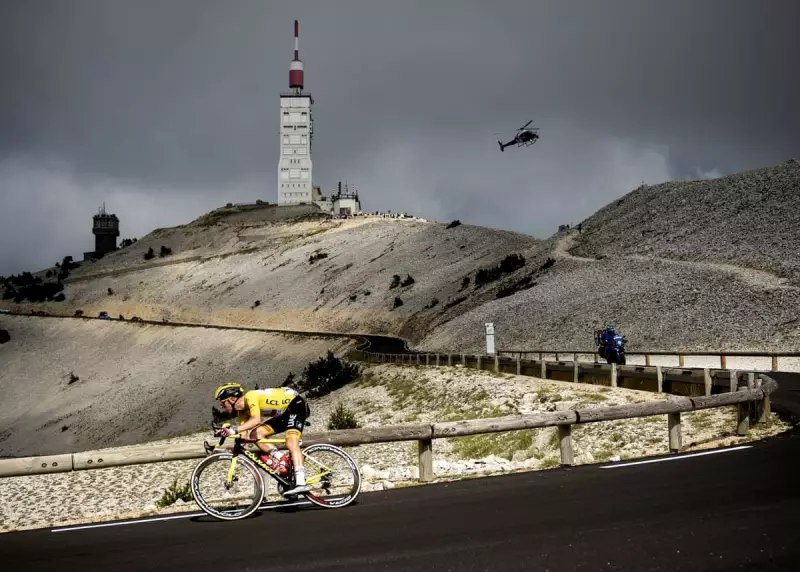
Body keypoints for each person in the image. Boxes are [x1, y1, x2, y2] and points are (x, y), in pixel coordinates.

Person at [214, 382, 311, 496]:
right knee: (255, 435)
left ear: (232, 399)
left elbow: (256, 420)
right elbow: (242, 437)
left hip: (295, 405)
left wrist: (233, 430)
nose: (221, 406)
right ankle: (282, 458)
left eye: (222, 402)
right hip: (283, 414)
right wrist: (226, 446)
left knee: (291, 442)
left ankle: (301, 482)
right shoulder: (242, 413)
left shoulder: (250, 397)